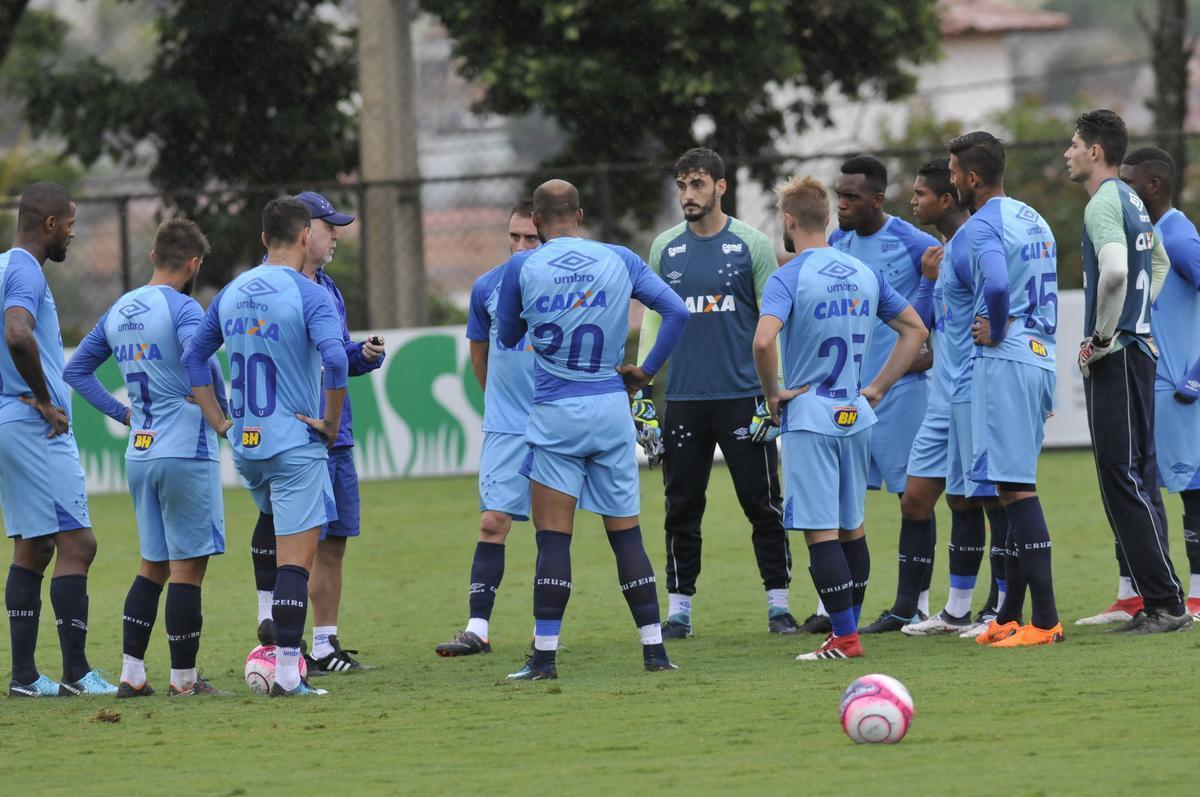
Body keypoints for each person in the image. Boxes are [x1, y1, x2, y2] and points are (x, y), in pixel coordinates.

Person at [494, 179, 689, 679]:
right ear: (579, 215)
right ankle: (654, 650)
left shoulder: (521, 264)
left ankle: (544, 658)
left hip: (556, 414)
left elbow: (511, 334)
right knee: (626, 535)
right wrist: (644, 372)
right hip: (609, 407)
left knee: (554, 540)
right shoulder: (619, 258)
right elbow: (676, 311)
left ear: (535, 223)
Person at [752, 175, 926, 660]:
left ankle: (845, 638)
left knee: (820, 531)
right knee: (852, 527)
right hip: (855, 412)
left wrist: (773, 393)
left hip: (810, 416)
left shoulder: (789, 276)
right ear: (826, 218)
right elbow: (914, 329)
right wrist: (879, 387)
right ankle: (847, 630)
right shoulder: (861, 272)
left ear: (788, 221)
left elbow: (764, 341)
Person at [182, 197, 348, 696]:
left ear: (262, 239)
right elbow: (336, 361)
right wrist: (331, 423)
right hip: (293, 443)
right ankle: (287, 675)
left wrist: (220, 423)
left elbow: (194, 358)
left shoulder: (231, 291)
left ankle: (276, 652)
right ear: (304, 238)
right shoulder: (308, 293)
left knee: (276, 538)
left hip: (248, 445)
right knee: (296, 563)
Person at [64, 219, 231, 697]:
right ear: (193, 264)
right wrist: (222, 413)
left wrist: (122, 412)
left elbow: (76, 369)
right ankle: (184, 681)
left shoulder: (119, 309)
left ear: (154, 256)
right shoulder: (183, 308)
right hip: (185, 447)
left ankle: (132, 675)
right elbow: (202, 361)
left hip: (140, 449)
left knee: (152, 564)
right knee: (188, 566)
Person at [638, 147, 794, 638]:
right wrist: (643, 383)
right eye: (682, 185)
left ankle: (779, 605)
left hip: (745, 398)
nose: (688, 194)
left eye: (698, 184)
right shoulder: (664, 247)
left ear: (721, 187)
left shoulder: (752, 244)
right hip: (684, 399)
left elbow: (773, 324)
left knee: (763, 504)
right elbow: (654, 318)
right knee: (681, 505)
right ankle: (679, 610)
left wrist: (775, 396)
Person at [249, 191, 385, 674]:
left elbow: (335, 356)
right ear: (305, 232)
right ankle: (283, 639)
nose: (336, 238)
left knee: (334, 541)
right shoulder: (266, 289)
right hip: (295, 436)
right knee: (297, 541)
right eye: (330, 228)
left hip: (336, 436)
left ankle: (324, 644)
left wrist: (362, 356)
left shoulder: (327, 288)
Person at [1064, 112, 1189, 633]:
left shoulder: (1104, 202)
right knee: (1137, 477)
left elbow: (1116, 270)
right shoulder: (1134, 200)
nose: (1067, 154)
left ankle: (1165, 605)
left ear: (1096, 152)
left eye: (1073, 145)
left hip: (1119, 356)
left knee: (1122, 477)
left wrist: (1102, 336)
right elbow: (1155, 264)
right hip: (1138, 350)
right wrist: (1140, 315)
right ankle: (1163, 600)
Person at [948, 131, 1063, 647]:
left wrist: (995, 326)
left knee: (1016, 490)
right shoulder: (1031, 216)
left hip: (1007, 359)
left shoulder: (982, 226)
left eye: (953, 173)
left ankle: (1046, 621)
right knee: (1005, 485)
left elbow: (995, 285)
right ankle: (1010, 616)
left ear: (972, 178)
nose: (951, 182)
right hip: (1039, 355)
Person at [1, 182, 116, 696]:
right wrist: (45, 398)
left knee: (36, 545)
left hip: (11, 417)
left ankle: (25, 677)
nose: (72, 231)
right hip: (34, 423)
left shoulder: (3, 265)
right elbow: (17, 333)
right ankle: (76, 673)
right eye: (70, 223)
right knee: (79, 543)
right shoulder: (25, 268)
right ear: (49, 224)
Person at [826, 155, 941, 635]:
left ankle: (915, 605)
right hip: (847, 396)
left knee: (912, 499)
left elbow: (931, 318)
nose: (842, 204)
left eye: (852, 196)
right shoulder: (836, 244)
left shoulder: (917, 243)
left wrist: (930, 291)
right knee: (842, 502)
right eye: (839, 195)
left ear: (877, 199)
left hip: (898, 393)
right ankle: (838, 608)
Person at [897, 161, 1009, 637]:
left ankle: (999, 607)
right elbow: (921, 323)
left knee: (989, 501)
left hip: (972, 392)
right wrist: (925, 280)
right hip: (942, 396)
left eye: (921, 193)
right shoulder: (942, 252)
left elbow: (1003, 299)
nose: (913, 201)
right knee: (921, 501)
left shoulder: (975, 244)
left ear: (947, 199)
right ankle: (954, 610)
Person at [435, 200, 542, 656]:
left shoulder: (568, 284)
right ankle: (478, 628)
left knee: (554, 531)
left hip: (559, 423)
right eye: (514, 237)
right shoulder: (487, 287)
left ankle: (546, 630)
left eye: (531, 238)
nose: (520, 247)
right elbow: (479, 356)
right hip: (506, 427)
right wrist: (499, 405)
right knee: (492, 522)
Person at [1120, 147, 1200, 619]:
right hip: (1148, 386)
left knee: (1193, 492)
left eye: (1129, 183)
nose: (1122, 191)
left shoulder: (1179, 237)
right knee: (1139, 488)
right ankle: (1139, 592)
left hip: (1180, 391)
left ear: (1152, 187)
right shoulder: (1145, 237)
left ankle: (1195, 593)